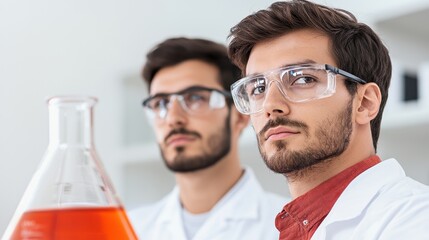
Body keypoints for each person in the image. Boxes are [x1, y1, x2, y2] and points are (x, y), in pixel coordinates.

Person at [227, 0, 429, 239]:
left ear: (365, 103)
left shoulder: (416, 221)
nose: (271, 105)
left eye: (302, 79)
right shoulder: (279, 229)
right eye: (258, 87)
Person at [128, 37, 288, 240]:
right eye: (161, 103)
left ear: (240, 116)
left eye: (195, 98)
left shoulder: (290, 229)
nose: (173, 118)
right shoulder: (130, 229)